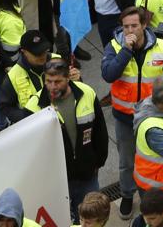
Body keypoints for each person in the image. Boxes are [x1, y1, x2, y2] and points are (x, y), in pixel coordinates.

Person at [101, 5, 163, 219]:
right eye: (125, 26)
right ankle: (127, 194)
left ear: (144, 25)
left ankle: (153, 198)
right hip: (125, 119)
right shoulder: (115, 47)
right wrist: (126, 50)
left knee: (154, 161)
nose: (129, 31)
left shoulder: (162, 47)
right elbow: (108, 74)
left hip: (154, 120)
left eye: (134, 26)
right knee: (127, 162)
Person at [31, 58, 108, 219]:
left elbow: (100, 133)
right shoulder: (33, 107)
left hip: (87, 176)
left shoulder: (87, 93)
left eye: (57, 81)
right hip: (56, 183)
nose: (52, 86)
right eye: (48, 81)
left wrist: (97, 162)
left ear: (68, 77)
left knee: (93, 217)